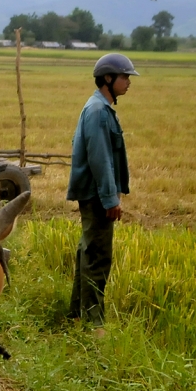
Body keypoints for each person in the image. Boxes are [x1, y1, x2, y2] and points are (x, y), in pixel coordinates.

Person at [67, 52, 138, 330]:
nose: (129, 82)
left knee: (87, 252)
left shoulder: (99, 107)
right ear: (108, 78)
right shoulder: (97, 111)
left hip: (94, 192)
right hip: (96, 195)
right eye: (125, 77)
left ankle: (77, 314)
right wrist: (110, 198)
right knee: (97, 257)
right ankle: (94, 324)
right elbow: (100, 158)